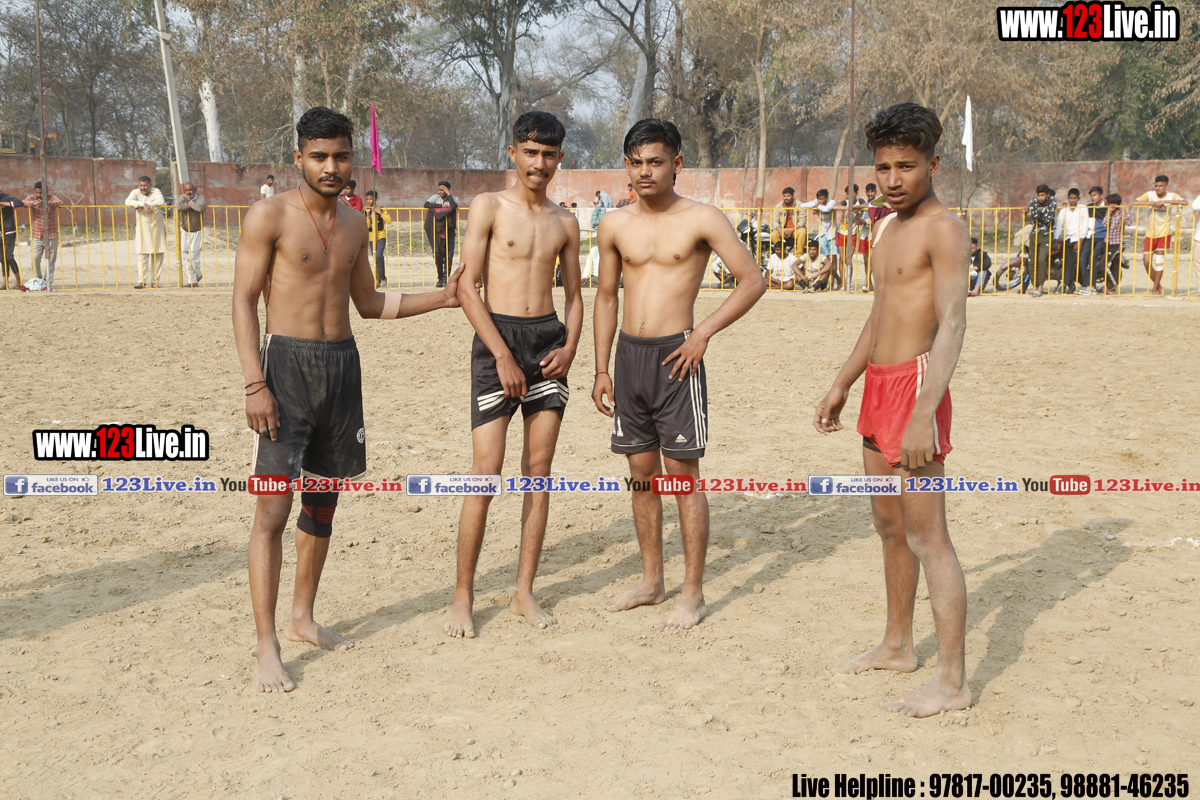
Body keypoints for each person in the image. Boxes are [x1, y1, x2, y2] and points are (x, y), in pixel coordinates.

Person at [232, 106, 462, 692]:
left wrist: (442, 298)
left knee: (322, 504)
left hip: (342, 368)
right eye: (319, 157)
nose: (330, 167)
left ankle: (303, 618)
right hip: (285, 369)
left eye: (340, 156)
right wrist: (255, 383)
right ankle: (266, 643)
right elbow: (242, 301)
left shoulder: (357, 224)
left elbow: (369, 304)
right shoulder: (270, 216)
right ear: (298, 158)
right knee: (272, 512)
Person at [813, 102, 971, 718]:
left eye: (906, 166)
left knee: (929, 536)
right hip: (878, 386)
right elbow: (878, 315)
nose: (893, 178)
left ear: (933, 163)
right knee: (888, 525)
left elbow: (953, 324)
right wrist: (842, 382)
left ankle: (952, 682)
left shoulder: (944, 230)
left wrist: (925, 412)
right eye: (883, 167)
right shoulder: (883, 228)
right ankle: (898, 645)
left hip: (916, 388)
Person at [593, 118, 765, 630]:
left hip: (677, 357)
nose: (645, 172)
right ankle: (652, 581)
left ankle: (693, 593)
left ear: (677, 163)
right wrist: (601, 368)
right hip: (628, 359)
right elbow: (606, 297)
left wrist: (703, 332)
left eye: (656, 161)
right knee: (641, 473)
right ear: (627, 166)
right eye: (636, 163)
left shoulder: (702, 219)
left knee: (682, 476)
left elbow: (752, 280)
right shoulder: (613, 224)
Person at [446, 111, 583, 639]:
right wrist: (501, 354)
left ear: (559, 159)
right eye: (530, 152)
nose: (539, 163)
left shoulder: (565, 222)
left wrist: (570, 348)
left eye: (548, 154)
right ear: (513, 153)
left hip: (546, 342)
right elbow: (467, 287)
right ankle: (463, 595)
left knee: (539, 470)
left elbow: (575, 297)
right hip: (495, 339)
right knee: (486, 470)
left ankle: (524, 591)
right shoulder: (488, 206)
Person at [1135, 175, 1186, 295]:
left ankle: (1154, 289)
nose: (1158, 188)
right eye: (1156, 185)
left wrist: (1166, 202)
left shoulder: (1171, 196)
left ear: (1166, 186)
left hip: (1164, 233)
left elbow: (1184, 202)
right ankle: (1159, 286)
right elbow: (1135, 202)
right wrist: (1153, 203)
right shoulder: (1150, 194)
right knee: (1146, 262)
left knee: (1159, 261)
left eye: (1160, 186)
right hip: (1150, 233)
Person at [125, 176, 166, 289]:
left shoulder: (156, 191)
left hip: (157, 228)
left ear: (150, 185)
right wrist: (142, 204)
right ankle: (141, 281)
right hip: (142, 228)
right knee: (142, 255)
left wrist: (144, 205)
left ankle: (155, 282)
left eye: (145, 185)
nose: (143, 188)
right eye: (141, 185)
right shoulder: (135, 192)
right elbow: (127, 201)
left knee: (157, 254)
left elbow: (161, 201)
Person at [23, 181, 62, 291]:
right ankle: (38, 278)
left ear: (46, 191)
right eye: (37, 192)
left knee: (51, 260)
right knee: (35, 258)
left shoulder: (52, 198)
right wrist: (33, 204)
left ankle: (48, 281)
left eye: (41, 192)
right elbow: (23, 202)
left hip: (51, 234)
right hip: (37, 235)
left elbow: (60, 202)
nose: (39, 195)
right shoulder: (32, 198)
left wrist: (46, 203)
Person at [1054, 188, 1094, 295]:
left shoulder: (1083, 208)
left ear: (1078, 198)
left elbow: (1085, 225)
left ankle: (1065, 285)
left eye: (1075, 198)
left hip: (1079, 239)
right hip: (1068, 239)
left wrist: (1080, 241)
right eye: (1071, 198)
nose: (1073, 200)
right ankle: (1070, 285)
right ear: (1068, 198)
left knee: (1074, 262)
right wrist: (1055, 239)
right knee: (1067, 263)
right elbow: (1059, 226)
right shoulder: (1064, 211)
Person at [423, 180, 459, 288]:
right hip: (437, 232)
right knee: (438, 255)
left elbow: (453, 206)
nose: (439, 192)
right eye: (439, 190)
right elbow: (426, 205)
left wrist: (448, 194)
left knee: (449, 256)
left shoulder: (454, 198)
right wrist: (442, 205)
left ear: (447, 189)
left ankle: (445, 278)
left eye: (442, 190)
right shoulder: (435, 197)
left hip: (449, 231)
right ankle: (440, 278)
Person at [1023, 184, 1057, 297]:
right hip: (1035, 234)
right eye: (1039, 195)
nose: (1040, 198)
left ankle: (1040, 286)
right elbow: (1034, 215)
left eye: (1043, 195)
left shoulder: (1052, 201)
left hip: (1046, 235)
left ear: (1047, 195)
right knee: (1032, 261)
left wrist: (1039, 211)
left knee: (1042, 260)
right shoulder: (1033, 201)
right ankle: (1035, 286)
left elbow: (1049, 217)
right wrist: (1043, 210)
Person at [801, 189, 838, 288]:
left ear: (826, 198)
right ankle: (827, 281)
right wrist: (815, 205)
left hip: (832, 233)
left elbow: (827, 209)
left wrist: (817, 207)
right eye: (818, 199)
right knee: (825, 260)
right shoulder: (817, 202)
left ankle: (832, 283)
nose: (819, 201)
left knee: (834, 258)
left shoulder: (831, 202)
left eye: (822, 199)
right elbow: (803, 205)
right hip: (822, 234)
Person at [175, 182, 207, 287]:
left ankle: (198, 275)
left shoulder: (200, 198)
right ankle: (192, 281)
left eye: (190, 190)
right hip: (185, 230)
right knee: (186, 257)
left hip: (197, 230)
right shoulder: (182, 197)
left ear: (195, 189)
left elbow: (199, 208)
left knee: (193, 257)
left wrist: (188, 203)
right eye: (186, 190)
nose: (188, 192)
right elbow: (179, 207)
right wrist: (192, 205)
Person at [363, 190, 391, 288]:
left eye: (370, 199)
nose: (368, 201)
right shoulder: (365, 210)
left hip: (381, 236)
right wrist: (367, 215)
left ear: (375, 199)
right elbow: (367, 226)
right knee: (375, 258)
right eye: (367, 199)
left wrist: (380, 212)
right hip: (372, 237)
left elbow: (389, 220)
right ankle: (377, 278)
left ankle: (383, 278)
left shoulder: (381, 209)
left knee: (379, 255)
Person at [0, 187, 25, 290]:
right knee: (2, 258)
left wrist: (2, 204)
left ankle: (18, 281)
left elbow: (19, 203)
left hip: (9, 231)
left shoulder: (7, 197)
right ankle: (5, 283)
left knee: (9, 256)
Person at [1103, 193, 1127, 293]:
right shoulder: (1109, 213)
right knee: (1108, 264)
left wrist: (1127, 211)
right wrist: (1108, 213)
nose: (1109, 206)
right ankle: (1110, 287)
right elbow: (1104, 224)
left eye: (1109, 204)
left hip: (1116, 243)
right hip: (1107, 241)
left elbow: (1129, 222)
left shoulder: (1122, 213)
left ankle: (1112, 285)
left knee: (1105, 264)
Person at [771, 186, 804, 253]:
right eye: (784, 196)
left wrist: (790, 230)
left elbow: (802, 221)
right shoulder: (778, 206)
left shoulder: (800, 205)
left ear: (792, 196)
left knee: (802, 232)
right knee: (773, 235)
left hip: (795, 229)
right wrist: (780, 230)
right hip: (782, 229)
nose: (786, 198)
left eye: (788, 196)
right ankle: (785, 253)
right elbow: (775, 221)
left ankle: (799, 255)